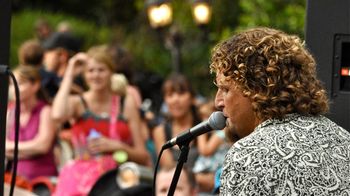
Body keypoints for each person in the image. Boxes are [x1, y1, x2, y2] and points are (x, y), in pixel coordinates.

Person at [210, 27, 350, 195]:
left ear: (258, 89)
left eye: (225, 89)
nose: (218, 102)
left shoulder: (249, 155)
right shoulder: (344, 139)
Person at [52, 47, 150, 195]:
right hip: (79, 182)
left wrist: (119, 146)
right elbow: (57, 115)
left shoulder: (125, 103)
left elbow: (143, 156)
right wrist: (70, 70)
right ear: (84, 75)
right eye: (90, 71)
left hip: (115, 182)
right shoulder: (78, 103)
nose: (96, 75)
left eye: (101, 70)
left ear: (111, 72)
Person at [6, 65, 58, 180]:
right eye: (11, 84)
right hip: (13, 178)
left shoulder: (45, 111)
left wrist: (11, 147)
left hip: (41, 180)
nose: (13, 88)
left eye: (20, 83)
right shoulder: (10, 112)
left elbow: (42, 146)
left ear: (35, 85)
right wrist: (31, 150)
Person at [152, 73, 201, 170]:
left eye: (181, 93)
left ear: (192, 98)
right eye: (170, 95)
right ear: (165, 100)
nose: (176, 100)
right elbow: (169, 168)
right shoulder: (160, 131)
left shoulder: (204, 127)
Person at [192, 100, 230, 194]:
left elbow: (205, 150)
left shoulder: (222, 133)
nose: (204, 121)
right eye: (202, 117)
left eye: (206, 117)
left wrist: (201, 133)